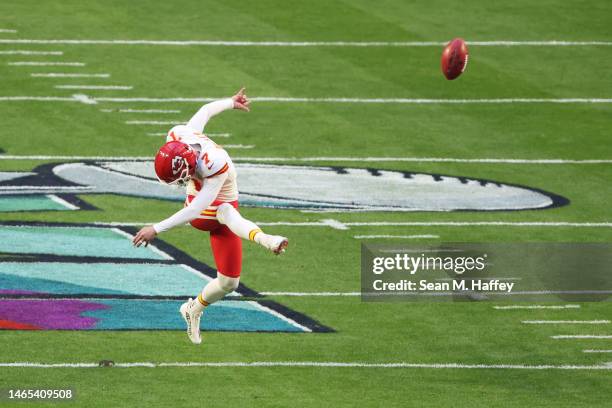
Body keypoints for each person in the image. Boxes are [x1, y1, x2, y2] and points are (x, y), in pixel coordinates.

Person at [132, 88, 288, 344]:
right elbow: (205, 111)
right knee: (226, 212)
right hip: (208, 208)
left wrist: (156, 228)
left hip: (213, 195)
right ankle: (267, 240)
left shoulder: (214, 162)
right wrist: (230, 102)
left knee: (229, 283)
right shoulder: (181, 135)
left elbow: (195, 208)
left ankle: (193, 309)